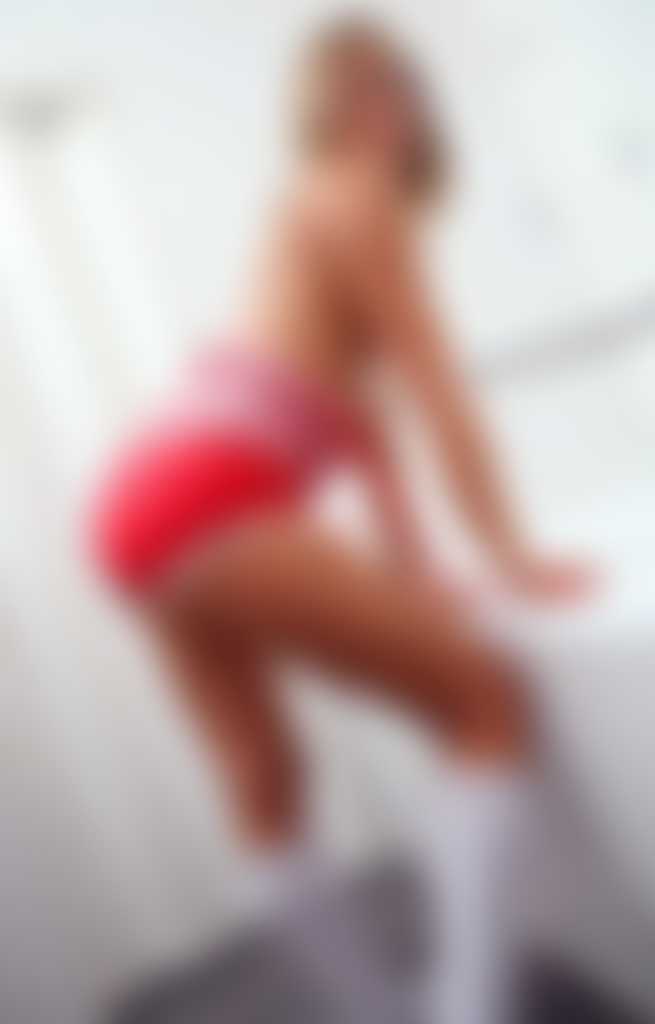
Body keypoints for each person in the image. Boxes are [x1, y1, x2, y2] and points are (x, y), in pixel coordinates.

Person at [88, 16, 592, 1023]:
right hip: (211, 491)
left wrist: (416, 567)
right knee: (484, 698)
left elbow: (372, 438)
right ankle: (466, 1006)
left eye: (397, 81)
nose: (386, 104)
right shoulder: (357, 194)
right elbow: (441, 395)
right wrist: (512, 557)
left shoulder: (303, 213)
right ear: (331, 109)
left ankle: (374, 1010)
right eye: (364, 86)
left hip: (137, 505)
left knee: (263, 777)